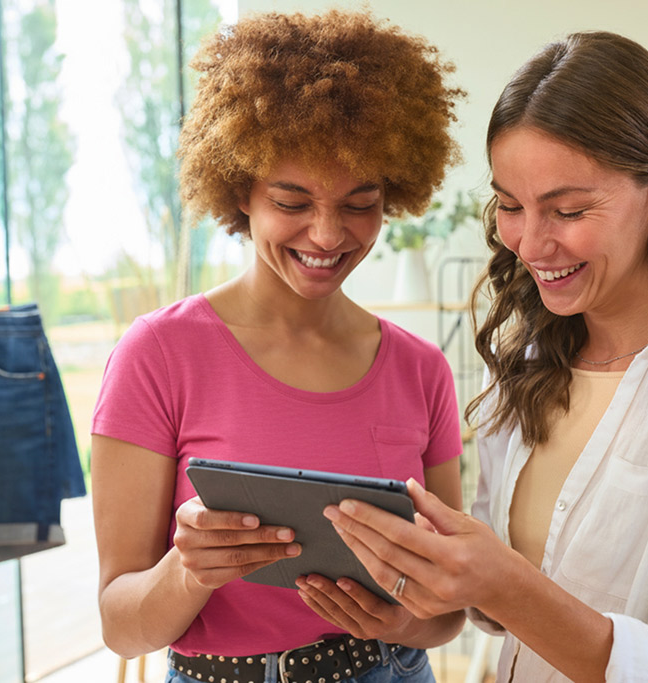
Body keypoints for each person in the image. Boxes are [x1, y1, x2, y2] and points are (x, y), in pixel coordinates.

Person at [317, 31, 648, 681]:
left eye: (568, 210)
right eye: (510, 206)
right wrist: (407, 613)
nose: (531, 244)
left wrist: (506, 586)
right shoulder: (532, 364)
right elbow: (498, 612)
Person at [90, 9, 467, 683]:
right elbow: (121, 626)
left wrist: (398, 621)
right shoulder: (159, 354)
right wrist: (189, 569)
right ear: (242, 189)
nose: (327, 234)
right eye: (292, 202)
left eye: (359, 203)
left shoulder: (421, 369)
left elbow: (449, 609)